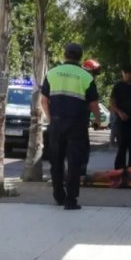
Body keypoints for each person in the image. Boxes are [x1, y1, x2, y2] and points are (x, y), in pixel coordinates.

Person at [41, 43, 101, 210]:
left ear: (65, 54)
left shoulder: (52, 73)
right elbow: (94, 103)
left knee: (56, 161)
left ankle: (58, 196)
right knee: (74, 162)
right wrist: (97, 121)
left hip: (57, 123)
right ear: (80, 57)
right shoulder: (86, 77)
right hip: (77, 125)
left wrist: (50, 118)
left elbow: (44, 100)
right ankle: (70, 200)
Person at [81, 59, 102, 176]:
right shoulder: (88, 81)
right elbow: (93, 103)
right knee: (83, 147)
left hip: (63, 118)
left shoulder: (76, 78)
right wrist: (98, 121)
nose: (95, 77)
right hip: (80, 120)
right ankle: (81, 172)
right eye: (94, 74)